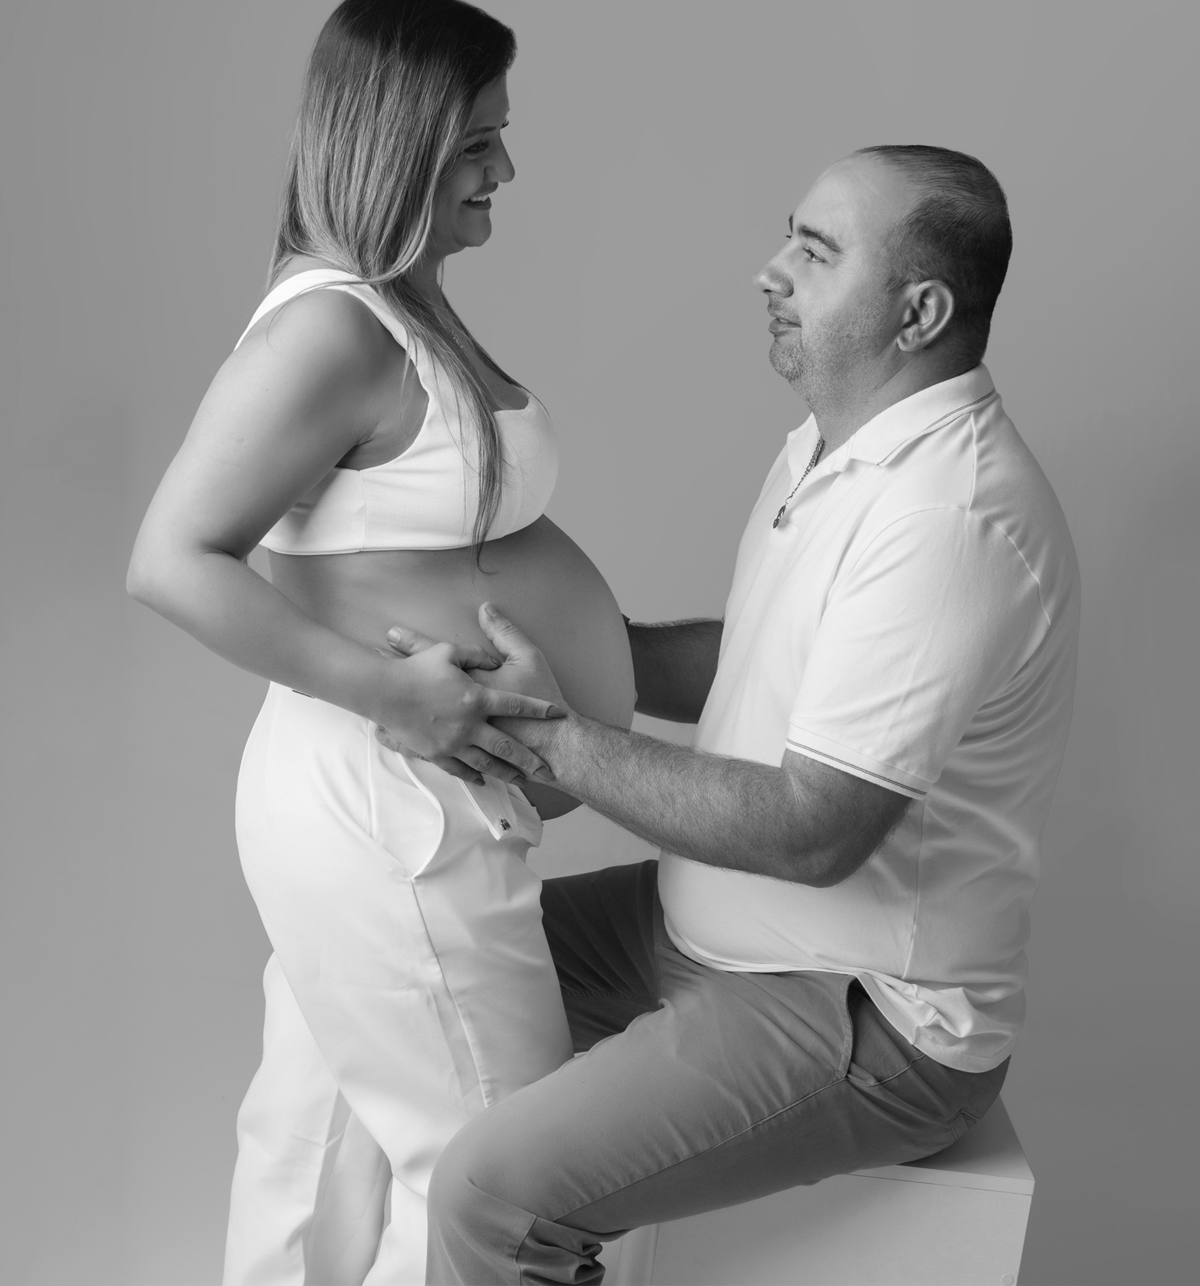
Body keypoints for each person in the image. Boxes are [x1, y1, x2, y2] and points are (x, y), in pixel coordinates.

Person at [419, 145, 1081, 1285]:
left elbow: (811, 829)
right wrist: (575, 655)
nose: (769, 270)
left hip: (864, 1013)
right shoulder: (840, 445)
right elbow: (773, 660)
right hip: (701, 933)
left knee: (492, 1197)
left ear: (919, 312)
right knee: (420, 962)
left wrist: (545, 733)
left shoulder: (949, 517)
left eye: (816, 252)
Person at [126, 0, 636, 1285]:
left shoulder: (394, 301)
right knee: (493, 1176)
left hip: (391, 798)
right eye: (478, 142)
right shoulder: (332, 326)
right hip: (383, 798)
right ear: (398, 143)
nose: (506, 169)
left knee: (317, 1150)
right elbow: (171, 557)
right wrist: (395, 692)